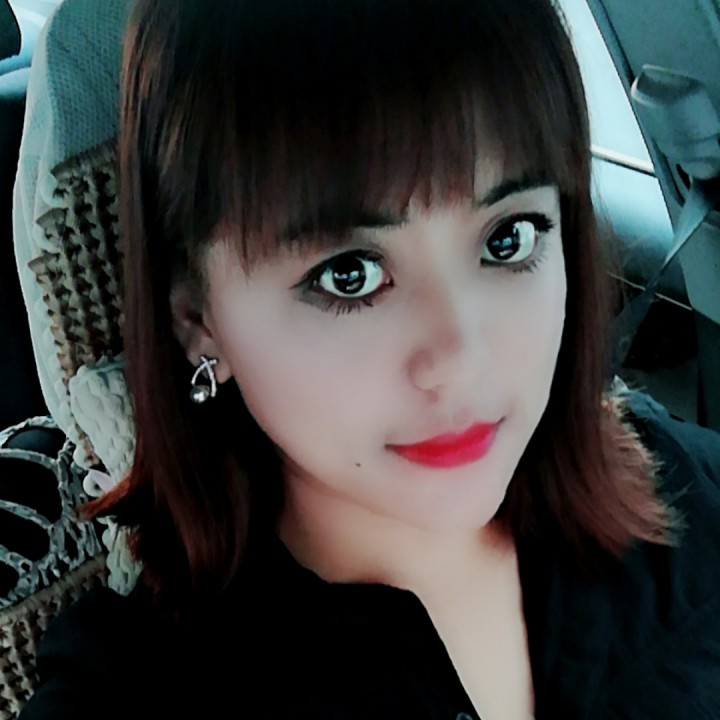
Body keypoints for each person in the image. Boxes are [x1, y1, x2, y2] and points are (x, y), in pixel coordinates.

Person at [18, 0, 720, 718]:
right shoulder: (137, 691)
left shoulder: (687, 498)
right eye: (348, 275)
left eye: (507, 239)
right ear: (199, 320)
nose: (463, 360)